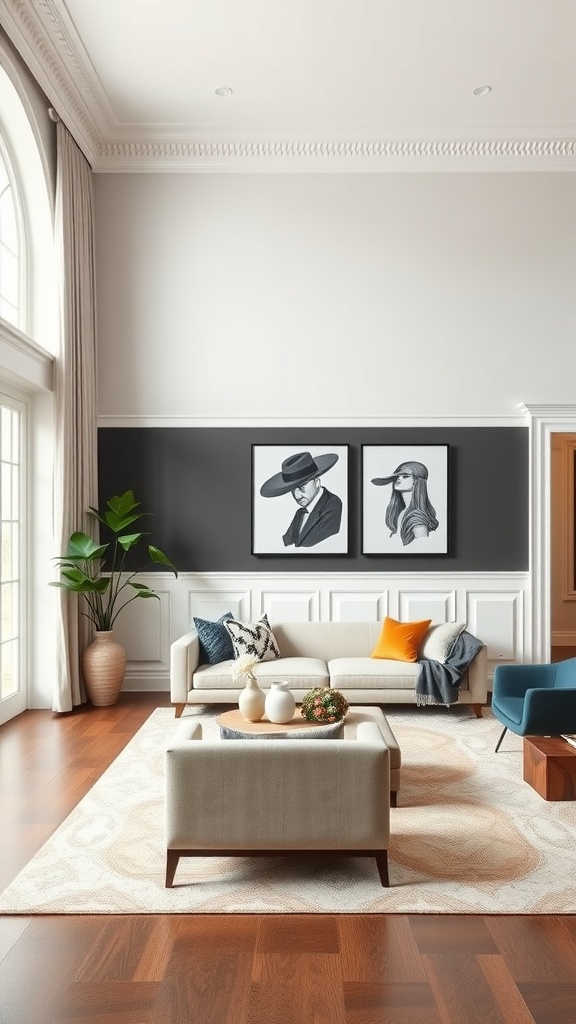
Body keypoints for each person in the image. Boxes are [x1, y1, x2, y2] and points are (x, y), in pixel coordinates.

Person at [260, 451, 342, 548]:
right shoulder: (300, 513)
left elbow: (317, 546)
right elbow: (286, 544)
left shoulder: (333, 506)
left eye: (302, 487)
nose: (297, 496)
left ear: (317, 482)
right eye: (293, 490)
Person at [372, 460, 438, 547]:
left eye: (405, 476)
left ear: (416, 481)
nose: (399, 479)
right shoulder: (402, 512)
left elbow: (422, 549)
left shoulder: (417, 519)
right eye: (397, 477)